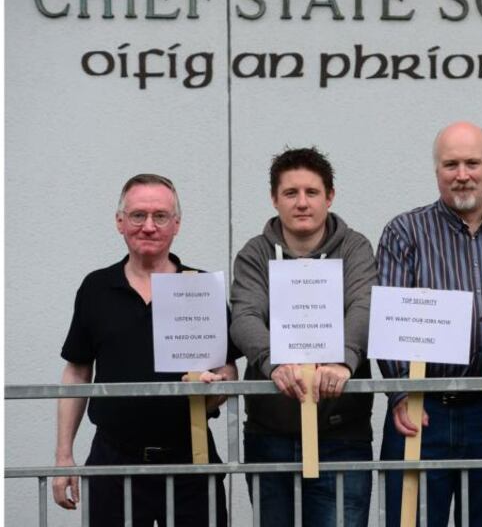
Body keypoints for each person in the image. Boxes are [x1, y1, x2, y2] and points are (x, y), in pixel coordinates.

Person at [377, 121, 482, 527]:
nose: (463, 174)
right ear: (437, 171)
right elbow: (388, 322)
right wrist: (401, 392)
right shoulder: (404, 232)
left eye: (472, 162)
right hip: (421, 410)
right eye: (451, 164)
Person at [53, 173, 238, 527]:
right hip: (114, 463)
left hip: (192, 462)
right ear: (120, 222)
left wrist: (216, 389)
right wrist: (63, 456)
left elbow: (228, 369)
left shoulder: (199, 286)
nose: (149, 226)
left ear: (177, 224)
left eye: (160, 216)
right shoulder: (96, 288)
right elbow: (77, 371)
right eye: (138, 215)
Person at [230, 147, 377, 527]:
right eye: (290, 193)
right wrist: (273, 362)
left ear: (330, 196)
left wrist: (342, 360)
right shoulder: (255, 254)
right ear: (274, 199)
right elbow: (245, 314)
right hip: (270, 433)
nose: (302, 203)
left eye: (312, 192)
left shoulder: (355, 248)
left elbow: (363, 305)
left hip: (342, 433)